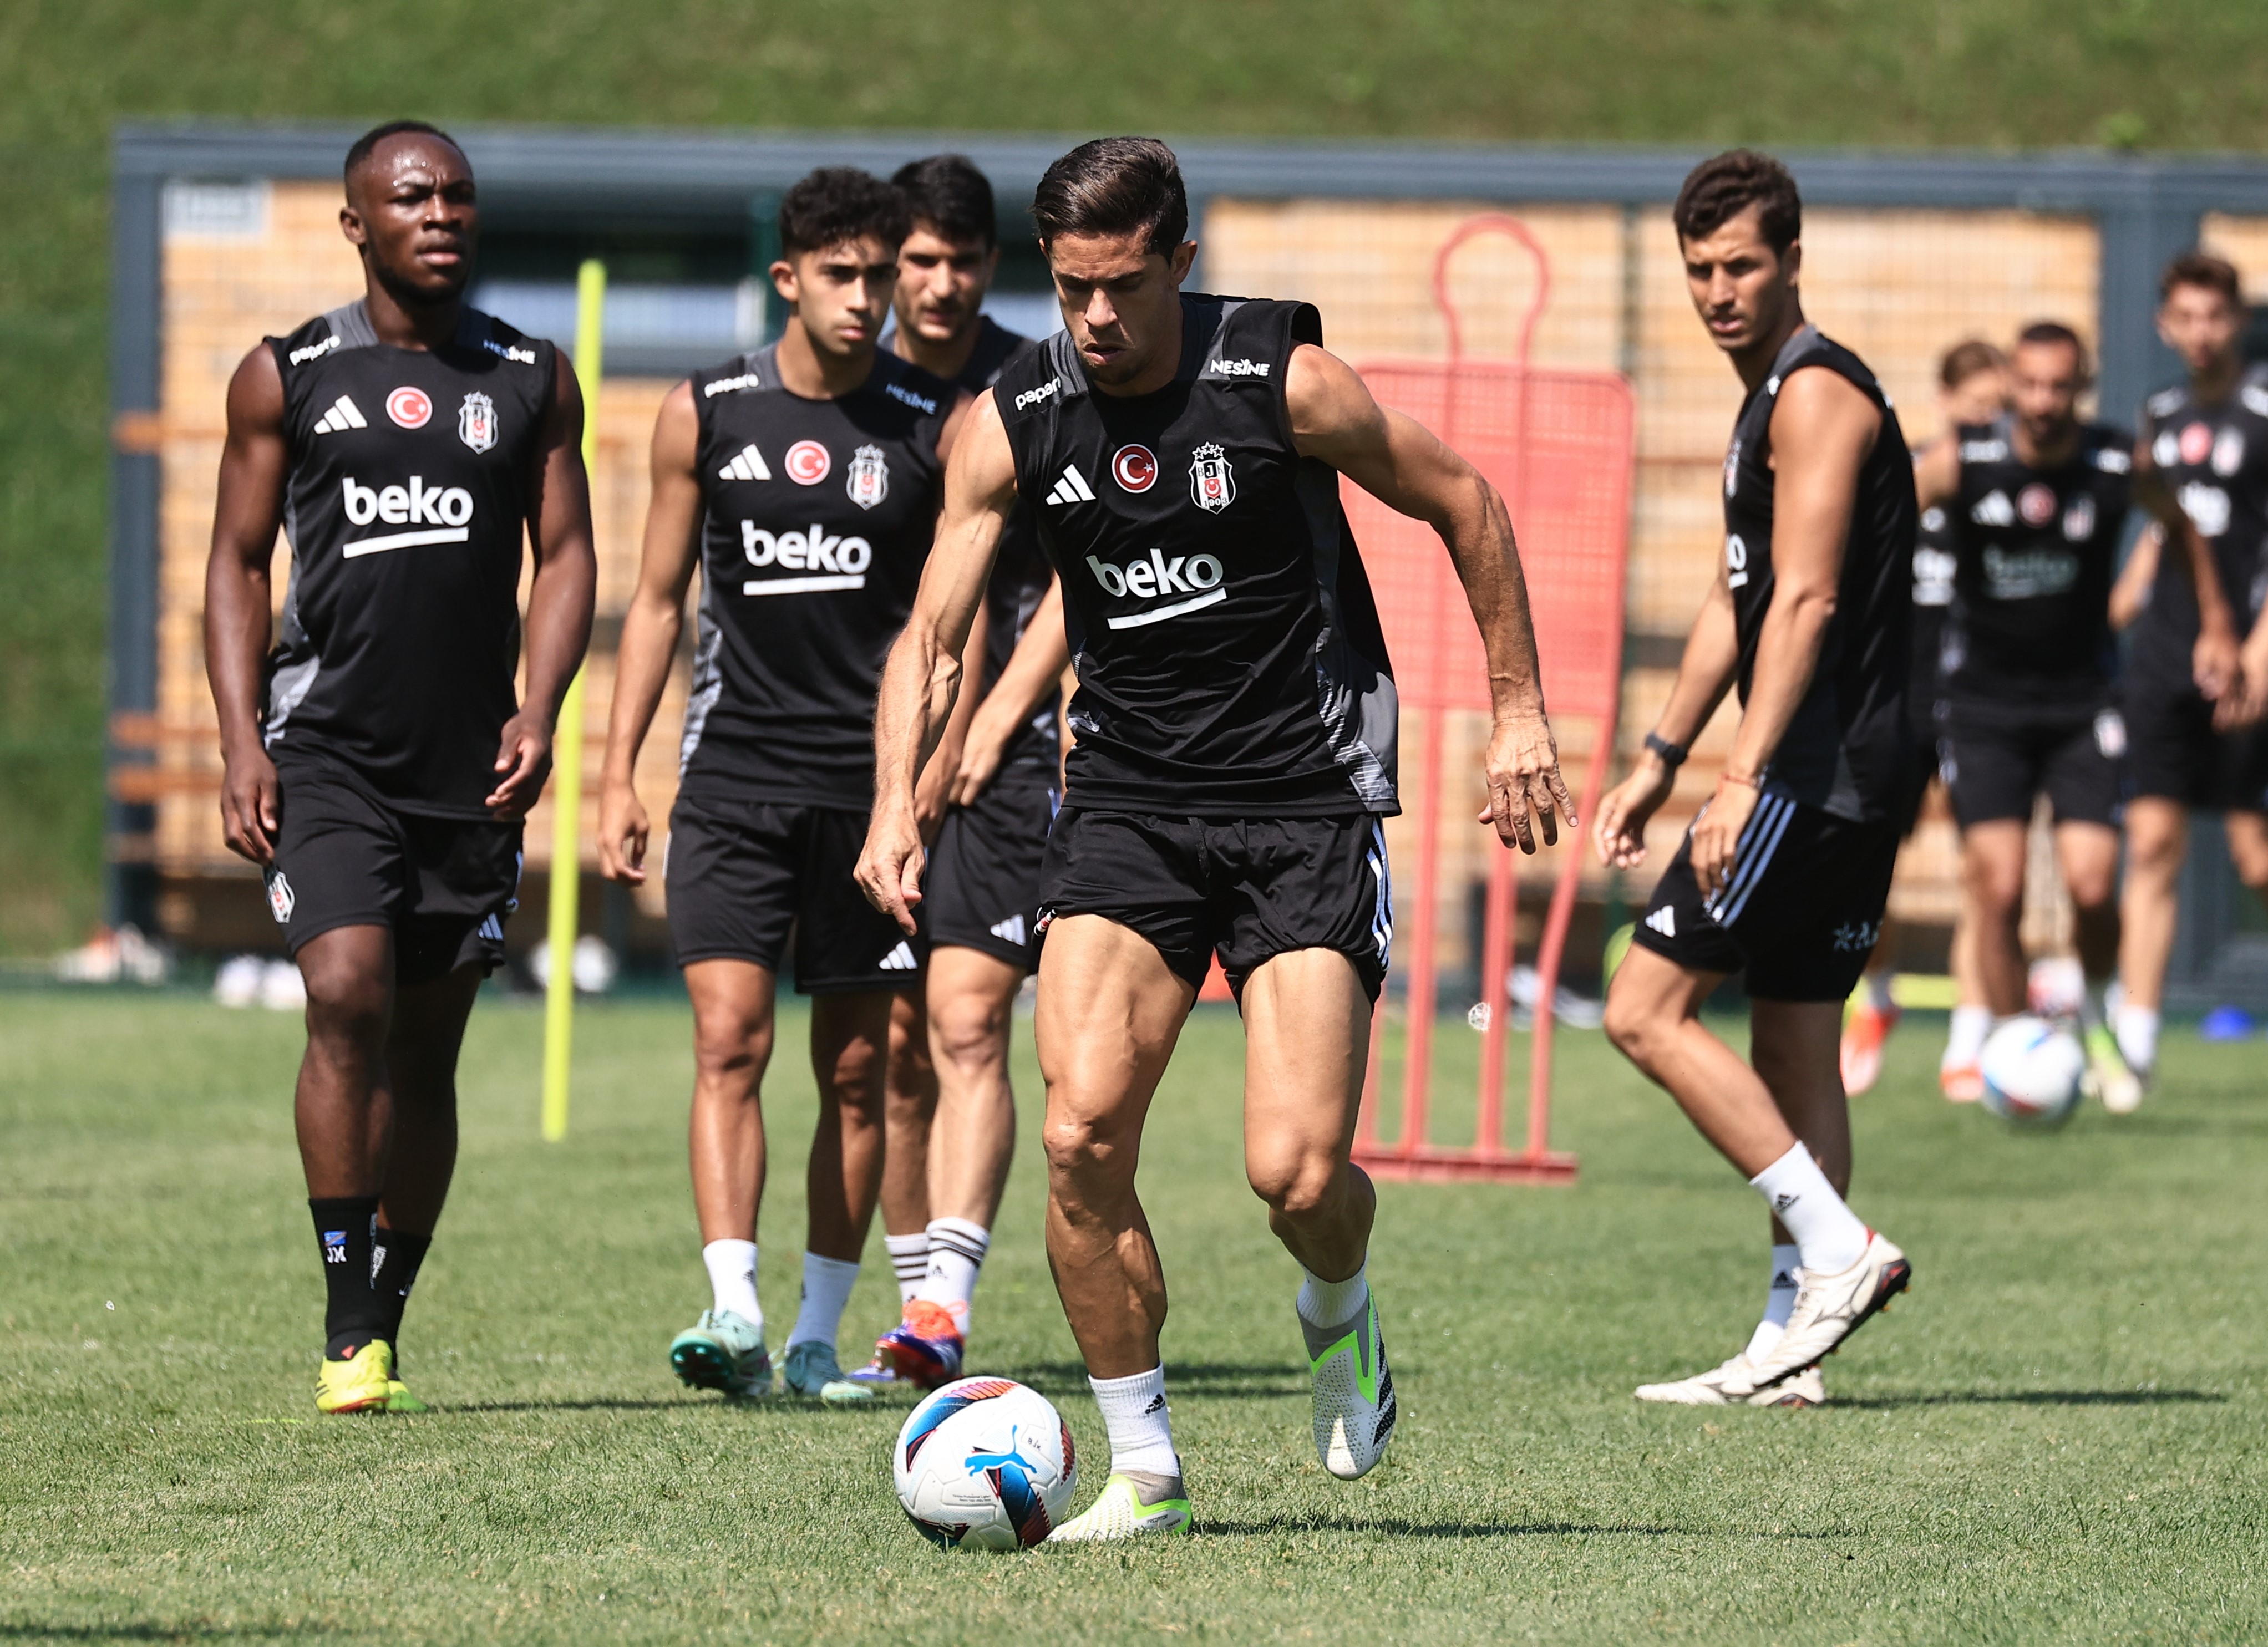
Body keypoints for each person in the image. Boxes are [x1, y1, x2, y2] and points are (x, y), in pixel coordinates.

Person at [858, 136, 1575, 1541]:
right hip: (1124, 808)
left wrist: (1518, 714)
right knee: (1075, 1137)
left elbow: (1464, 502)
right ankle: (1145, 1474)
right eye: (1068, 291)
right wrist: (898, 801)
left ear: (1179, 261)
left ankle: (1340, 1314)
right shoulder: (1012, 419)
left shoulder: (1281, 381)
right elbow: (934, 634)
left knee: (1295, 1175)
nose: (1095, 322)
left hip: (1302, 802)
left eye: (1121, 287)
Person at [203, 121, 596, 1414]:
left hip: (470, 771)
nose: (442, 214)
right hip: (327, 756)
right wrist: (239, 738)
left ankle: (389, 1308)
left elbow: (569, 557)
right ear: (356, 222)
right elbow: (233, 567)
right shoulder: (287, 374)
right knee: (345, 995)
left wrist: (540, 708)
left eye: (460, 197)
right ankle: (340, 1320)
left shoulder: (532, 376)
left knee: (425, 1058)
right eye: (411, 196)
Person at [595, 167, 967, 1405]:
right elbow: (653, 605)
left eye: (882, 276)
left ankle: (816, 1335)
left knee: (859, 1075)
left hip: (865, 805)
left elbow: (951, 626)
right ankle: (732, 1305)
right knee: (726, 1040)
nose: (869, 301)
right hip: (731, 784)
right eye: (844, 278)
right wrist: (617, 777)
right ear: (788, 280)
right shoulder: (704, 412)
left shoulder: (935, 419)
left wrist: (910, 797)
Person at [1596, 150, 1914, 1411]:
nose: (1718, 290)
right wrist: (1654, 759)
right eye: (1698, 271)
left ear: (1791, 261)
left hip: (1814, 769)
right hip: (1839, 770)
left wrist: (1733, 780)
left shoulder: (1813, 394)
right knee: (1792, 1040)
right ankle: (1797, 1354)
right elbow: (1737, 606)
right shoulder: (1762, 399)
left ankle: (1837, 1253)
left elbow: (1810, 597)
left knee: (1640, 1009)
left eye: (1740, 266)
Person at [846, 154, 1072, 1391]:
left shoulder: (1035, 380)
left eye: (958, 262)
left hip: (1008, 745)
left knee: (971, 1020)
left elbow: (1059, 587)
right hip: (882, 737)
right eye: (913, 263)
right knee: (887, 1049)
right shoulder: (854, 392)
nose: (935, 285)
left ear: (992, 268)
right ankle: (902, 1312)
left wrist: (976, 732)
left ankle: (945, 1302)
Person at [1912, 323, 2206, 1113]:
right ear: (2010, 383)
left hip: (2081, 707)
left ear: (2081, 386)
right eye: (2029, 386)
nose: (2042, 402)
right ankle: (2016, 1042)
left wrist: (2211, 624)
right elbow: (1882, 521)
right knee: (1998, 888)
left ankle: (2097, 1008)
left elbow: (2183, 527)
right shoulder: (1962, 462)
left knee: (2087, 883)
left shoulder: (2114, 463)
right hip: (1981, 707)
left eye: (2058, 387)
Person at [2115, 252, 2268, 1091]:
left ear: (2235, 321)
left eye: (2215, 316)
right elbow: (2164, 525)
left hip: (2248, 656)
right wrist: (2126, 594)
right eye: (2186, 317)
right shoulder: (2162, 412)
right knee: (2151, 841)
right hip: (2165, 657)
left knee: (2253, 858)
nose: (2200, 333)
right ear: (2163, 325)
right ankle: (2133, 1042)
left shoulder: (2263, 409)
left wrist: (2258, 652)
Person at [1840, 342, 2007, 1099]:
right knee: (1868, 871)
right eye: (1973, 407)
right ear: (1943, 399)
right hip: (1894, 703)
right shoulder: (1899, 480)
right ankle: (1874, 1000)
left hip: (1975, 701)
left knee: (1986, 873)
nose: (1985, 423)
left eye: (1995, 410)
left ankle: (1967, 1045)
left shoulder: (2005, 494)